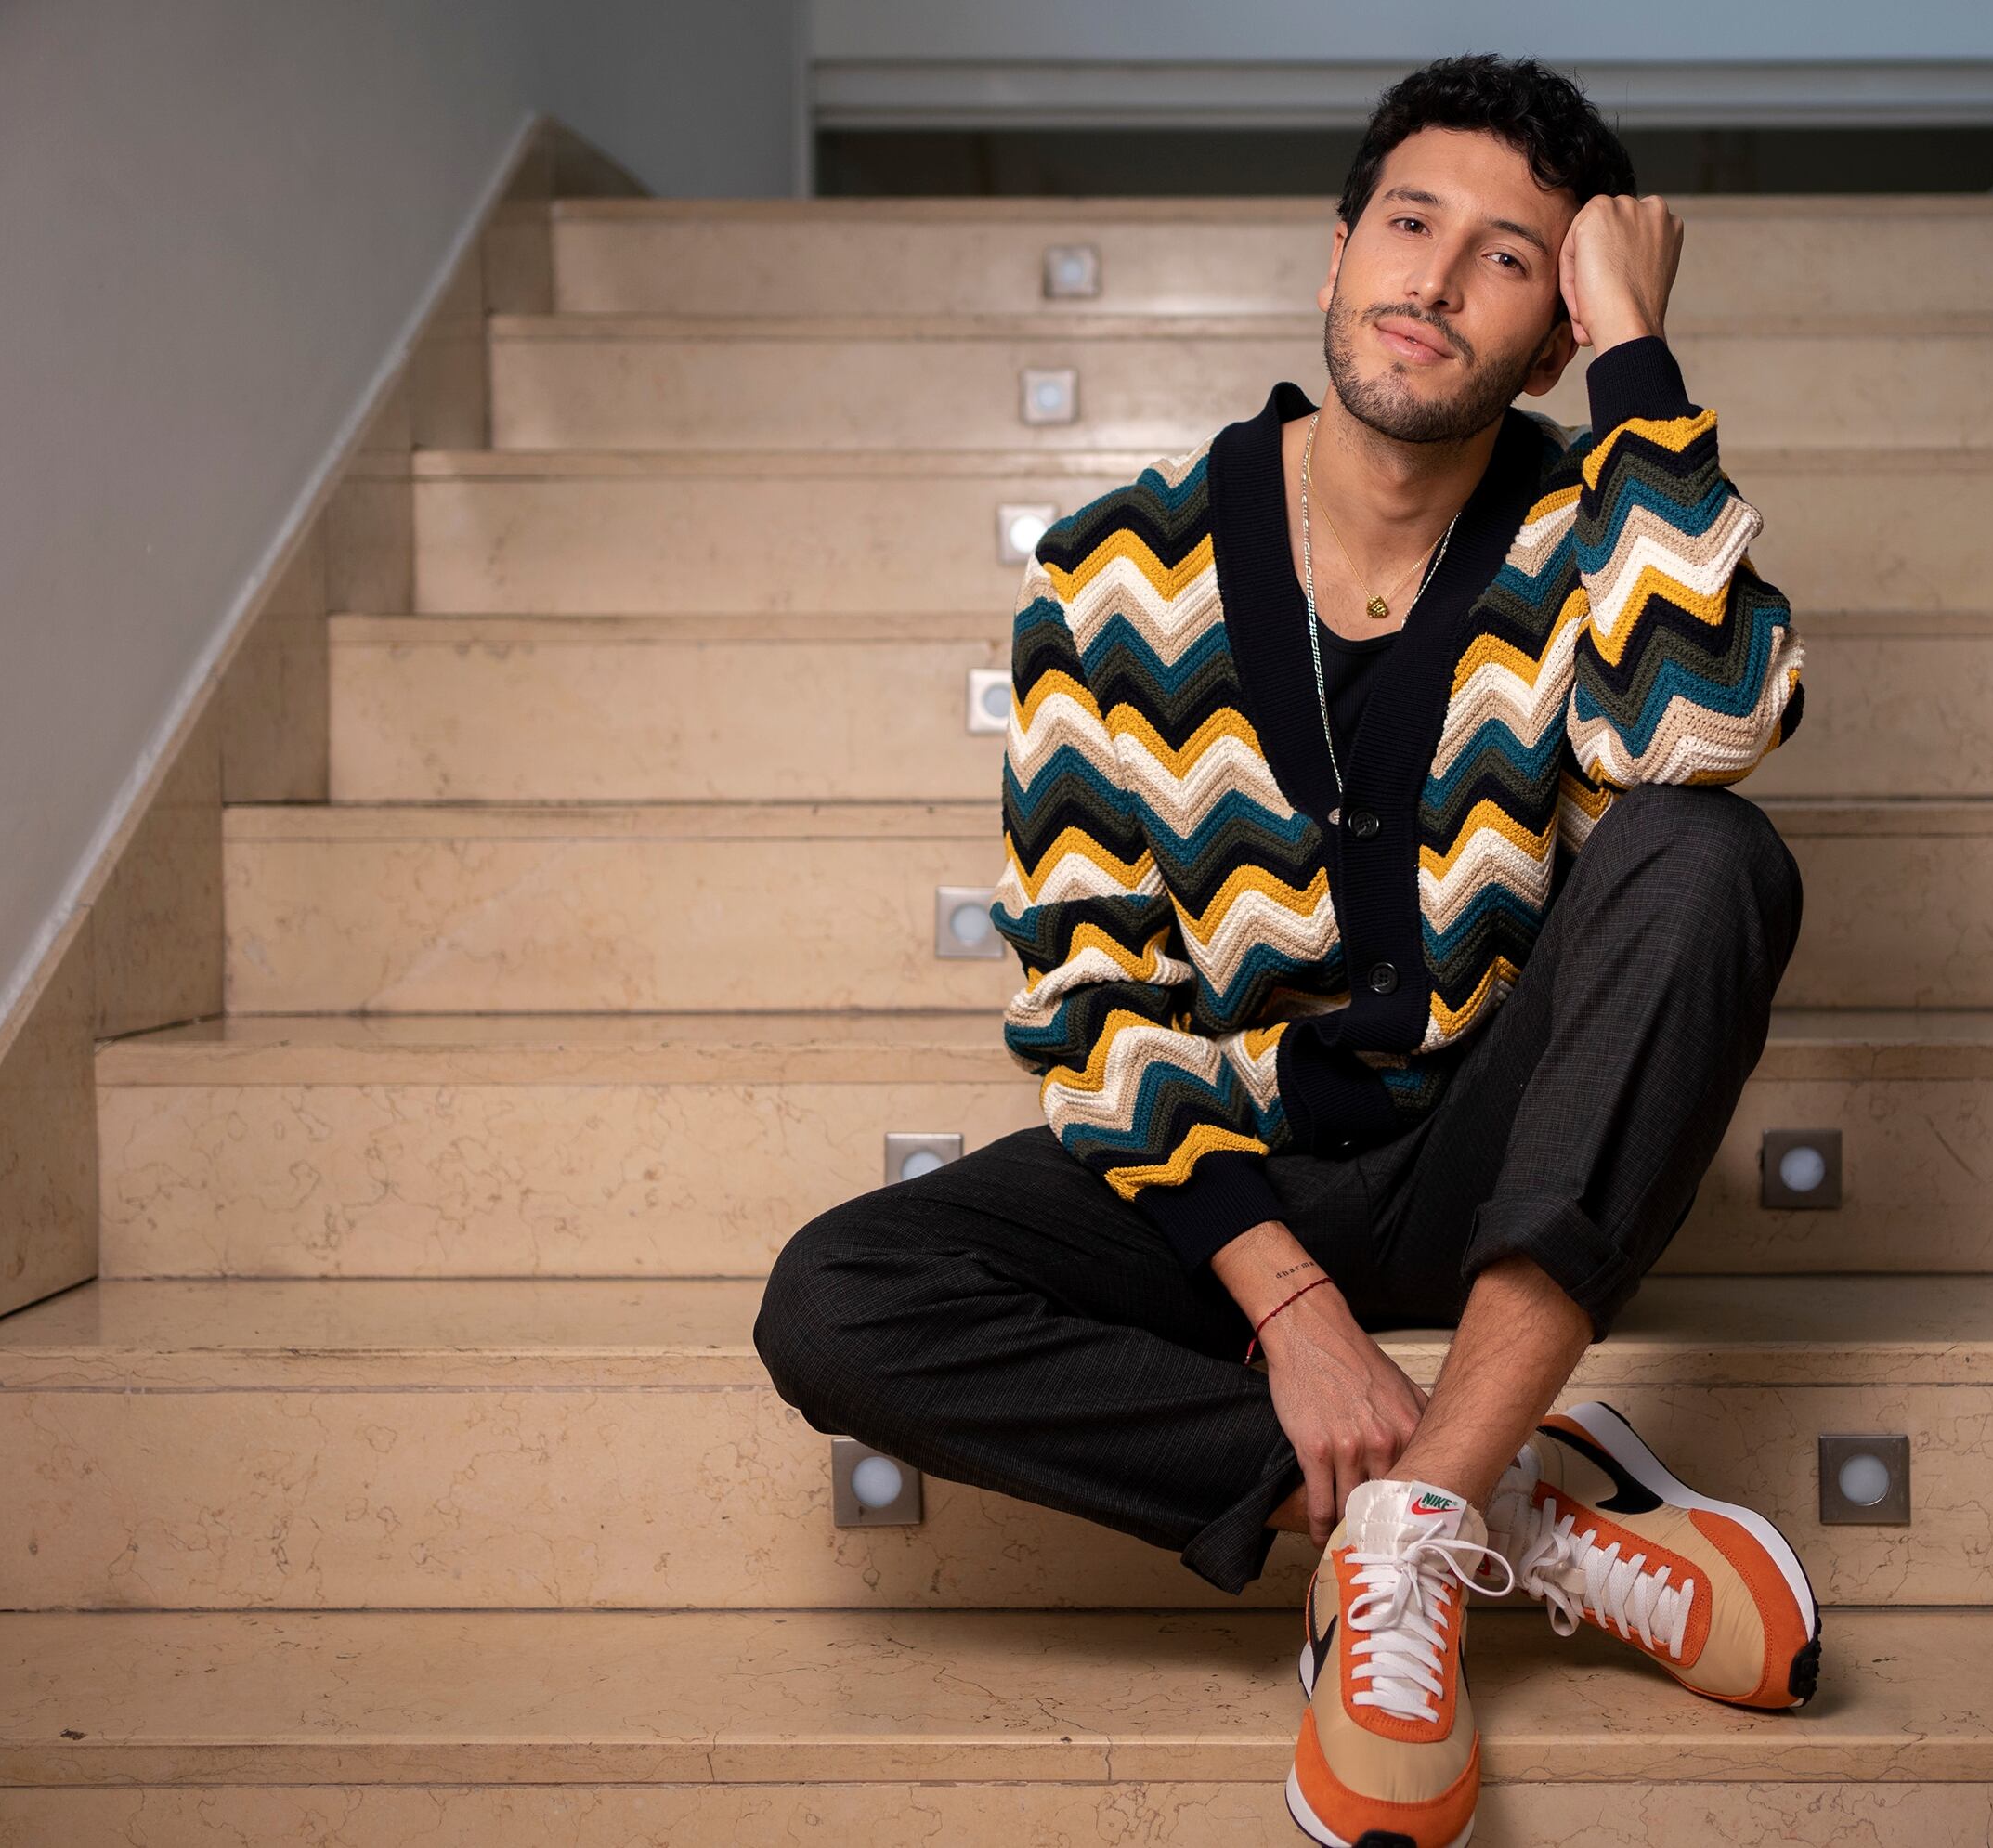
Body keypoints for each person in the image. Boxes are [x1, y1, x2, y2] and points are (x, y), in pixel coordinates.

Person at [756, 53, 1813, 1848]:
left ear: (1550, 330)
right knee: (836, 1302)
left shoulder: (1587, 534)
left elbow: (1701, 733)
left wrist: (1641, 364)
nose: (1430, 279)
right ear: (1333, 254)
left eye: (1506, 258)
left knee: (1709, 851)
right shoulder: (1111, 574)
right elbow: (1091, 989)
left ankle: (1422, 1515)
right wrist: (1294, 1310)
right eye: (1407, 225)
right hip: (1233, 1159)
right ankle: (1504, 1506)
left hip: (1496, 1143)